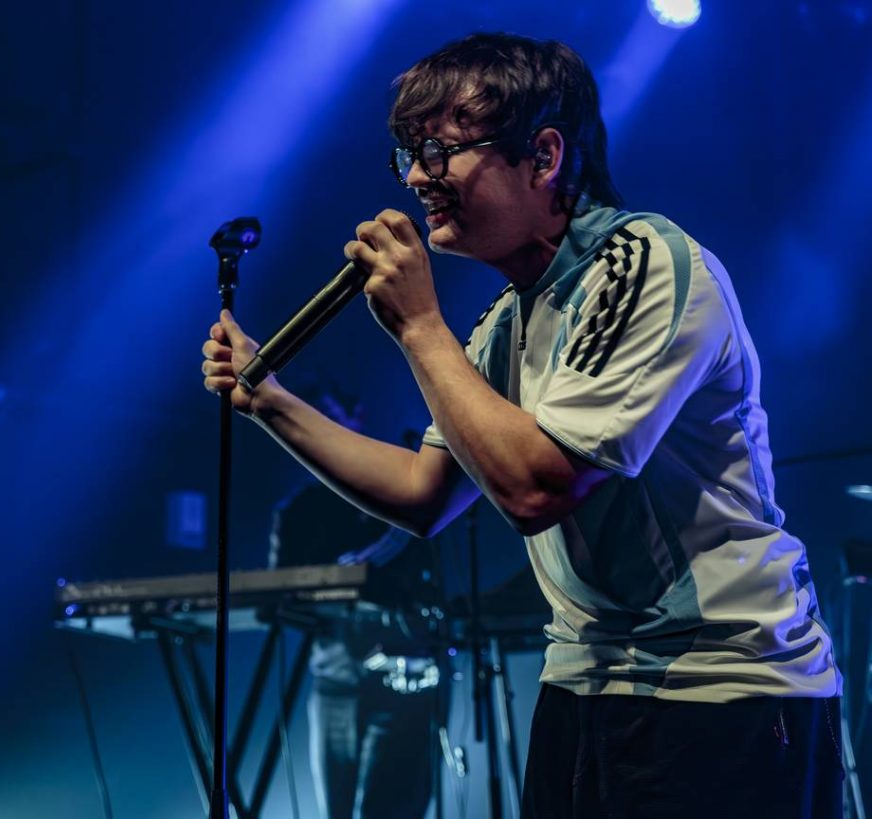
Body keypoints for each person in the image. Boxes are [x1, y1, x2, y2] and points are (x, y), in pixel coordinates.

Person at [202, 32, 843, 818]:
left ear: (543, 156)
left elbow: (539, 488)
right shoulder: (509, 319)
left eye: (439, 150)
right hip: (584, 683)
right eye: (409, 153)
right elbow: (424, 493)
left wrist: (419, 327)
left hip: (721, 689)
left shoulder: (644, 263)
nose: (416, 176)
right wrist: (269, 400)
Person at [267, 385, 444, 819]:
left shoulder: (390, 485)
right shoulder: (298, 510)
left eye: (327, 414)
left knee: (390, 806)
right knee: (337, 808)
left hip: (401, 675)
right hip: (334, 677)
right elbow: (279, 593)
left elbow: (423, 568)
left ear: (356, 416)